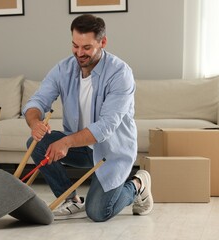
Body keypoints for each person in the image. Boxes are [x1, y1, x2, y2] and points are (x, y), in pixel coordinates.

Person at [22, 14, 153, 221]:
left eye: (87, 48)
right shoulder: (63, 68)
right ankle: (72, 200)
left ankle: (137, 184)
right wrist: (35, 122)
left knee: (99, 213)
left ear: (103, 42)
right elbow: (37, 101)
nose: (79, 53)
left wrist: (65, 142)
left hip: (111, 152)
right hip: (79, 147)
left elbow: (106, 127)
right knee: (36, 143)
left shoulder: (120, 73)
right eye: (75, 46)